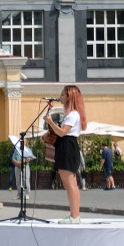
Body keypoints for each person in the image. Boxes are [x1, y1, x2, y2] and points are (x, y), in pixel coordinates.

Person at [44, 85, 87, 222]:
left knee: (70, 185)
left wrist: (50, 122)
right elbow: (61, 131)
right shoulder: (71, 114)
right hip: (67, 146)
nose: (60, 97)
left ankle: (75, 216)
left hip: (67, 147)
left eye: (62, 95)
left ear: (69, 97)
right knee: (71, 184)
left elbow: (62, 132)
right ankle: (74, 215)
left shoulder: (73, 115)